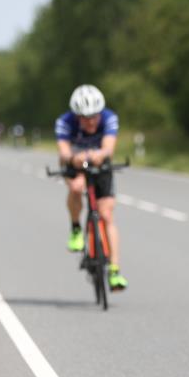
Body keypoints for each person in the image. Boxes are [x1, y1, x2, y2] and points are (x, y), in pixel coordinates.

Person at [54, 84, 128, 291]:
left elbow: (108, 148)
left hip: (99, 163)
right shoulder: (64, 122)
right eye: (85, 117)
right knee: (76, 188)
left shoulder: (109, 117)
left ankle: (114, 271)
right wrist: (73, 159)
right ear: (76, 116)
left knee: (107, 214)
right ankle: (76, 229)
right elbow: (63, 152)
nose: (91, 121)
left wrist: (100, 155)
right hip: (74, 162)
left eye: (94, 116)